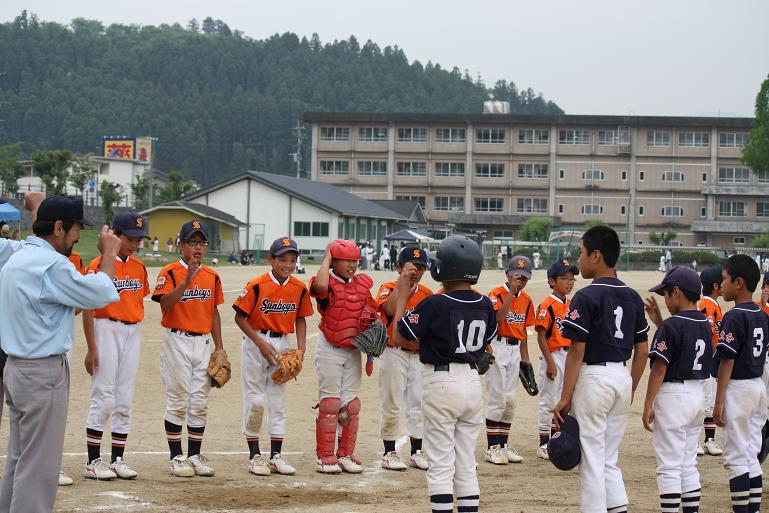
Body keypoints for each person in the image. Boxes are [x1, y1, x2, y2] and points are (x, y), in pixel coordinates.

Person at [0, 195, 121, 513]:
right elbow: (101, 293)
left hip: (16, 368)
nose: (78, 235)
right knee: (39, 467)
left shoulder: (18, 256)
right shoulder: (51, 265)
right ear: (58, 227)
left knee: (20, 458)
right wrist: (109, 256)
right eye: (76, 228)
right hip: (42, 373)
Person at [392, 235, 496, 513]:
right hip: (472, 383)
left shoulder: (435, 303)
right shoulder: (486, 303)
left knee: (440, 462)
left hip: (440, 383)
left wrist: (402, 299)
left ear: (443, 269)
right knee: (465, 462)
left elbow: (399, 337)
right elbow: (487, 344)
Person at [553, 225, 650, 513]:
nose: (579, 259)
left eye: (581, 253)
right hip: (621, 377)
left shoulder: (586, 296)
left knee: (592, 462)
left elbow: (576, 351)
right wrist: (630, 387)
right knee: (608, 459)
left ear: (596, 256)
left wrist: (565, 396)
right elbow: (642, 351)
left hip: (594, 379)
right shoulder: (633, 296)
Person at [232, 237, 313, 477]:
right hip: (256, 341)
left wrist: (301, 349)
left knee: (277, 402)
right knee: (256, 401)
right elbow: (239, 317)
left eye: (292, 260)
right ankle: (255, 455)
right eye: (282, 259)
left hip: (282, 344)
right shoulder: (257, 285)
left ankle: (276, 456)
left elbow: (300, 318)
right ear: (270, 259)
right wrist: (260, 343)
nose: (287, 265)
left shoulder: (299, 288)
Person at [151, 220, 225, 478]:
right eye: (192, 242)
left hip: (203, 342)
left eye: (201, 242)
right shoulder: (170, 272)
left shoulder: (212, 276)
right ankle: (176, 457)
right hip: (177, 340)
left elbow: (214, 311)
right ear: (181, 245)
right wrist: (184, 283)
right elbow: (165, 304)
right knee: (178, 400)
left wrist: (220, 347)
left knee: (200, 401)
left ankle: (194, 455)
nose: (197, 247)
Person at [82, 212, 150, 481]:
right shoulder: (98, 264)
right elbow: (88, 308)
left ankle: (118, 458)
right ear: (116, 236)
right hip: (105, 327)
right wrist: (91, 347)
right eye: (129, 239)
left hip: (132, 331)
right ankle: (93, 460)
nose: (134, 244)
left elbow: (138, 299)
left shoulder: (139, 267)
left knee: (124, 397)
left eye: (138, 240)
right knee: (104, 395)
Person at [643, 266, 713, 513]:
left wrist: (647, 403)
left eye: (665, 294)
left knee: (669, 466)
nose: (664, 299)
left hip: (674, 395)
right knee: (687, 464)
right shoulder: (704, 322)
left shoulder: (671, 326)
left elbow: (659, 369)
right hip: (697, 394)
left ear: (676, 292)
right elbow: (684, 343)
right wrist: (660, 322)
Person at [310, 240, 377, 474]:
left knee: (351, 405)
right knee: (330, 403)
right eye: (346, 260)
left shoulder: (362, 284)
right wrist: (326, 257)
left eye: (355, 261)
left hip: (353, 349)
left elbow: (372, 313)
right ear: (334, 262)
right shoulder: (326, 282)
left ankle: (345, 453)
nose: (352, 265)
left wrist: (373, 334)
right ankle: (324, 456)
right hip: (330, 348)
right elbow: (319, 286)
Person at [712, 254, 768, 513]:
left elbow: (727, 360)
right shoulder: (761, 313)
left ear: (739, 283)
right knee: (751, 453)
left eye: (725, 279)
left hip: (739, 388)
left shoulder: (734, 316)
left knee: (736, 458)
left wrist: (719, 401)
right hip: (758, 386)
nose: (722, 284)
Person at [375, 247, 432, 471]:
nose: (416, 272)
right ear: (399, 267)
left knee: (418, 403)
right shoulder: (387, 288)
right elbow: (389, 310)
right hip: (393, 352)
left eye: (421, 268)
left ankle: (416, 451)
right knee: (391, 402)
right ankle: (389, 451)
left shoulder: (427, 294)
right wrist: (402, 286)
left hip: (417, 355)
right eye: (411, 267)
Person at [485, 255, 535, 465]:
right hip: (498, 346)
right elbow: (498, 319)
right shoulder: (496, 294)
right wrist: (510, 294)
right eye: (517, 276)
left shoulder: (527, 300)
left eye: (524, 278)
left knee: (511, 400)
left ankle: (503, 445)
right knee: (498, 398)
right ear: (507, 274)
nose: (520, 281)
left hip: (515, 350)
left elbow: (523, 332)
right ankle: (492, 448)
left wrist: (526, 361)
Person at [535, 259, 578, 459]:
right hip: (553, 355)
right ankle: (544, 443)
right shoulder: (547, 305)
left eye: (572, 279)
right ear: (552, 281)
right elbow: (541, 336)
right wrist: (550, 362)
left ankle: (556, 439)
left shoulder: (571, 305)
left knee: (564, 398)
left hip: (568, 356)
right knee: (549, 400)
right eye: (564, 278)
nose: (569, 282)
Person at [698, 266, 725, 457]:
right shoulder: (707, 305)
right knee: (704, 400)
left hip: (712, 361)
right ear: (716, 286)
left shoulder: (714, 304)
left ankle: (709, 439)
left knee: (711, 399)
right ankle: (693, 440)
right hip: (706, 359)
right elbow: (707, 333)